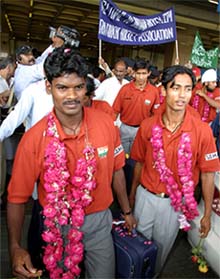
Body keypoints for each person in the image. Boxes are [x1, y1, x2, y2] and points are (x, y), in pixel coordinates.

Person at [7, 46, 136, 279]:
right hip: (57, 225)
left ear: (86, 87)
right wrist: (15, 246)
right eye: (62, 88)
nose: (72, 96)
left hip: (99, 222)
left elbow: (117, 169)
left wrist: (126, 211)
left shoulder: (106, 124)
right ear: (49, 87)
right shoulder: (34, 138)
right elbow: (17, 198)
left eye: (78, 87)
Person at [129, 65, 220, 275]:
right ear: (164, 90)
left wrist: (206, 213)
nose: (182, 95)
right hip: (145, 197)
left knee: (160, 253)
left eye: (188, 89)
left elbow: (208, 174)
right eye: (175, 88)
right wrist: (133, 195)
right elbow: (139, 163)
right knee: (136, 249)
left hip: (174, 204)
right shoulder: (148, 125)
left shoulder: (202, 131)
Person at [14, 25, 80, 100]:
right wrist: (59, 45)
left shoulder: (31, 65)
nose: (31, 57)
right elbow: (47, 66)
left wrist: (54, 45)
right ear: (19, 58)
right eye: (27, 55)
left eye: (31, 54)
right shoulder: (23, 71)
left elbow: (43, 58)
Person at [113, 59, 160, 154]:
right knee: (121, 157)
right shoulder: (125, 89)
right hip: (124, 128)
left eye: (144, 73)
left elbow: (156, 115)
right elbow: (115, 111)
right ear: (134, 73)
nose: (141, 77)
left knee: (137, 157)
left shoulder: (154, 92)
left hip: (142, 130)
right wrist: (112, 128)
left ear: (149, 73)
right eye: (138, 73)